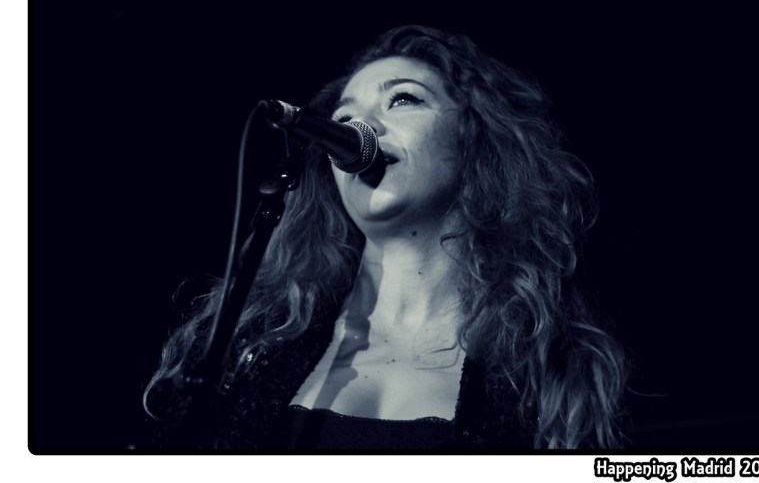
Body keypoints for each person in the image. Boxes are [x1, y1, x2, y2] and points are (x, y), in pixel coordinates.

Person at [144, 25, 628, 450]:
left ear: (474, 138)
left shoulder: (552, 372)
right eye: (343, 119)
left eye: (403, 99)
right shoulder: (252, 347)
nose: (363, 127)